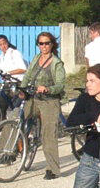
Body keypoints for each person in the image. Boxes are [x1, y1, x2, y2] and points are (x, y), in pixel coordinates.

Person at [21, 31, 66, 179]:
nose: (44, 46)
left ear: (52, 44)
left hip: (49, 101)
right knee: (17, 119)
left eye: (47, 43)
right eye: (41, 43)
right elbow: (27, 75)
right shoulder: (36, 58)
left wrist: (47, 89)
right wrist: (22, 89)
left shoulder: (56, 63)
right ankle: (10, 152)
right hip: (34, 98)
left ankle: (53, 169)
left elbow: (60, 85)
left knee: (48, 134)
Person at [0, 34, 27, 118]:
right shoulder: (1, 56)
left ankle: (20, 122)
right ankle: (1, 124)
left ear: (7, 43)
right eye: (0, 45)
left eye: (4, 43)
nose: (3, 46)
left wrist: (8, 73)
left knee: (16, 108)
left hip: (18, 83)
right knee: (0, 107)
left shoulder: (14, 53)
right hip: (8, 84)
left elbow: (23, 69)